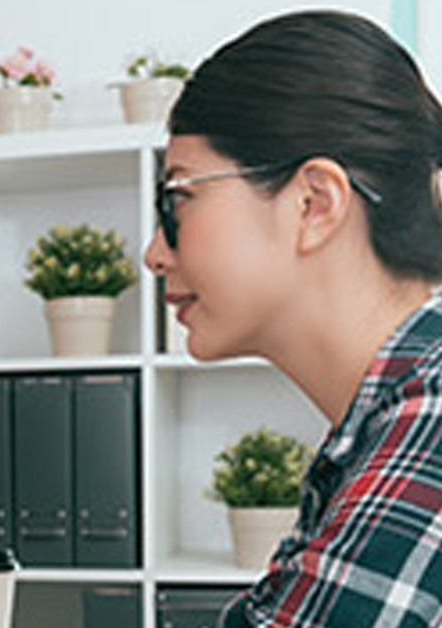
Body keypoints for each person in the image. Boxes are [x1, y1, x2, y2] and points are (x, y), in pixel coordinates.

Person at [144, 10, 442, 628]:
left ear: (314, 204)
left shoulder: (433, 420)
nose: (153, 253)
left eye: (179, 200)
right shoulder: (374, 435)